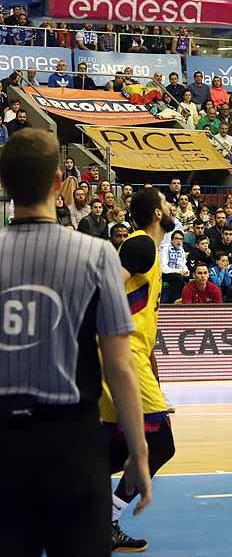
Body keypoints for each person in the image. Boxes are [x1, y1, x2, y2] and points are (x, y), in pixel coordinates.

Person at [0, 129, 151, 556]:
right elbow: (120, 367)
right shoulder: (98, 254)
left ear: (4, 184)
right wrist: (139, 452)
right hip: (72, 444)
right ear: (57, 184)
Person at [99, 188, 177, 551]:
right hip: (121, 356)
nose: (172, 205)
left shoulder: (149, 251)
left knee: (111, 441)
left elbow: (141, 316)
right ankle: (107, 518)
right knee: (159, 442)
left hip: (130, 355)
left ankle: (76, 491)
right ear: (157, 213)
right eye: (167, 201)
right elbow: (104, 288)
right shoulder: (142, 245)